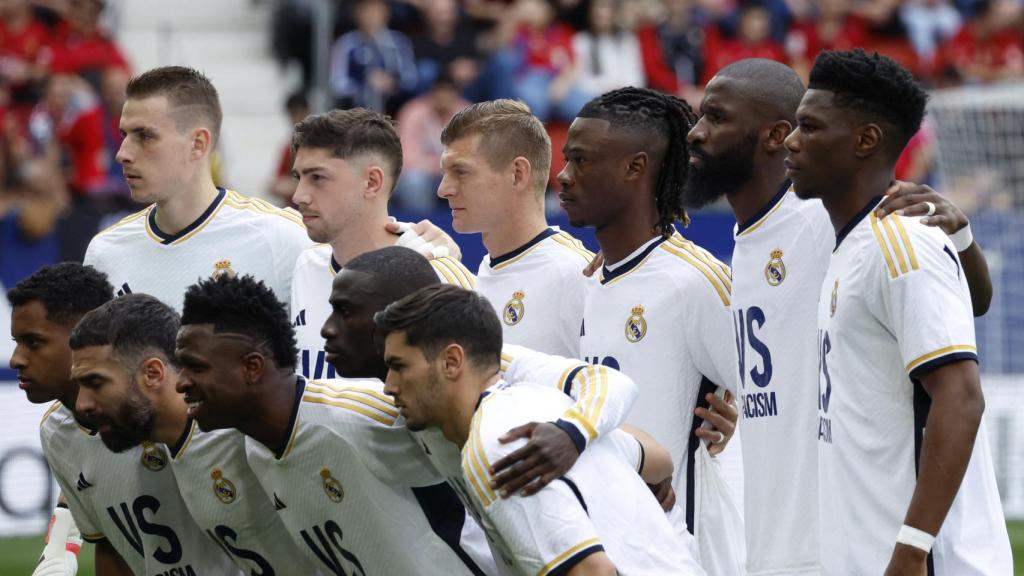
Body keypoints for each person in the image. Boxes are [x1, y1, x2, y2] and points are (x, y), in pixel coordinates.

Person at [685, 57, 993, 576]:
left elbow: (962, 383)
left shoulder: (852, 226)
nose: (793, 145)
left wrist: (959, 239)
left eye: (808, 128)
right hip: (810, 543)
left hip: (896, 549)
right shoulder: (806, 239)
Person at [783, 48, 1011, 574]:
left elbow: (961, 399)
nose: (792, 141)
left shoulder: (898, 247)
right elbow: (973, 300)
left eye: (810, 128)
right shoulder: (853, 244)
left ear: (866, 140)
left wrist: (911, 550)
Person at [375, 283, 705, 575]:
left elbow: (592, 573)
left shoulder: (493, 444)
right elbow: (658, 458)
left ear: (451, 361)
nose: (389, 386)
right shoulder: (547, 401)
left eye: (399, 367)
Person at [177, 273, 492, 575]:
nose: (181, 383)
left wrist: (544, 430)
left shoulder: (365, 416)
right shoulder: (256, 449)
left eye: (195, 367)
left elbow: (487, 428)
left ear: (252, 367)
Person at [556, 87, 745, 574]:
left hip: (682, 554)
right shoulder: (591, 279)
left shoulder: (695, 281)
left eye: (580, 161)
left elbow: (776, 400)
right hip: (610, 547)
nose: (563, 176)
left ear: (635, 168)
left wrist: (736, 418)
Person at [68, 292, 319, 574]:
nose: (82, 404)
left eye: (96, 382)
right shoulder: (174, 446)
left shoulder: (243, 433)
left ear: (152, 374)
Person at [83, 65, 313, 310]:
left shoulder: (285, 239)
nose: (122, 153)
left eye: (145, 136)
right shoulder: (106, 252)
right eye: (124, 135)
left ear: (198, 144)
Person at [288, 107, 472, 380]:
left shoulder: (438, 274)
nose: (298, 195)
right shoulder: (306, 264)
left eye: (317, 178)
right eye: (298, 178)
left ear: (372, 182)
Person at [438, 99, 593, 358]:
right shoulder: (486, 272)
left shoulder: (575, 275)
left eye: (461, 172)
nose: (443, 189)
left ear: (518, 174)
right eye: (444, 172)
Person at [7, 263, 129, 575]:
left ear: (85, 337)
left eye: (33, 342)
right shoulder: (55, 431)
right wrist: (59, 546)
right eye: (16, 342)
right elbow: (110, 546)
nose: (15, 359)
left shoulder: (156, 418)